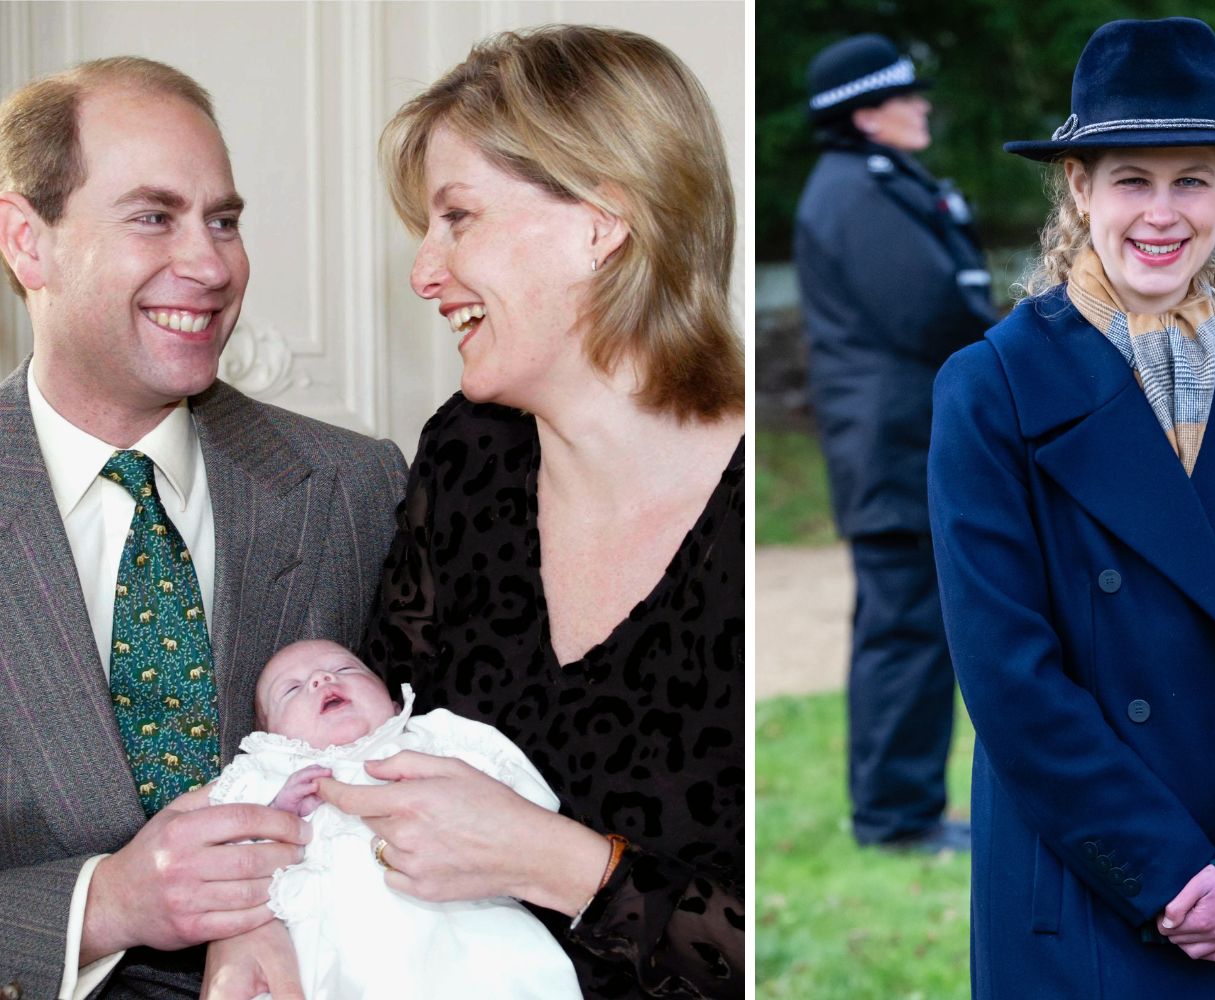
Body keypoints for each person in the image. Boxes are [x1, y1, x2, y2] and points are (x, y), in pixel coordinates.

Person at [203, 25, 744, 999]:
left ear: (600, 222)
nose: (424, 272)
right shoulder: (469, 453)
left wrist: (554, 860)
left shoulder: (771, 507)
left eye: (458, 218)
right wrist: (262, 935)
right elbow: (359, 757)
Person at [928, 17, 1215, 997]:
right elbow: (1008, 678)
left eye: (1191, 178)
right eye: (1131, 179)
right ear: (1078, 189)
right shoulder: (991, 390)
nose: (1163, 213)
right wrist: (1165, 874)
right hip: (1087, 890)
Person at [0, 58, 406, 999]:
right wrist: (100, 906)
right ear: (28, 241)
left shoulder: (356, 487)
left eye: (223, 219)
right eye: (154, 216)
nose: (213, 265)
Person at [793, 33, 995, 851]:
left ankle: (901, 810)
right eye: (904, 96)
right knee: (906, 631)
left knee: (911, 627)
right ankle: (895, 819)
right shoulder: (854, 192)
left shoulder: (873, 183)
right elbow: (931, 311)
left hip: (902, 441)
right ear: (866, 114)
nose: (922, 107)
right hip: (895, 447)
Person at [209, 640, 581, 1000]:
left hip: (465, 932)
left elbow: (523, 802)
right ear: (270, 738)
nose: (322, 679)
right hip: (334, 954)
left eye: (345, 668)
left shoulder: (430, 738)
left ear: (391, 700)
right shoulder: (263, 777)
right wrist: (278, 811)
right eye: (291, 690)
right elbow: (225, 864)